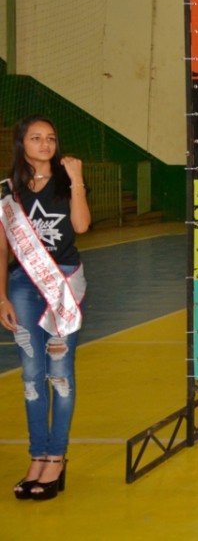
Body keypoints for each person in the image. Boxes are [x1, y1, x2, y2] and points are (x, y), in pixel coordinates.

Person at [0, 115, 92, 500]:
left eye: (51, 138)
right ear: (21, 144)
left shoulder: (68, 181)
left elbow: (82, 226)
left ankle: (57, 457)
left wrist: (77, 179)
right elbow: (2, 247)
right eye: (36, 138)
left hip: (63, 284)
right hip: (22, 285)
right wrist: (2, 296)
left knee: (59, 374)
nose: (45, 144)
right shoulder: (9, 191)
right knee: (31, 376)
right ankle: (37, 455)